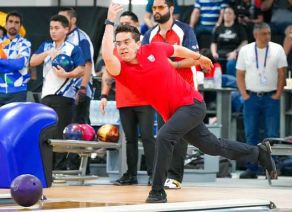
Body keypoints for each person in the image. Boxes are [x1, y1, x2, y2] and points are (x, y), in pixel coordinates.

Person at [103, 3, 277, 203]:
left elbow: (177, 48)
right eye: (119, 43)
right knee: (213, 147)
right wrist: (109, 21)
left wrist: (200, 57)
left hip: (191, 104)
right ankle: (259, 153)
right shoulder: (121, 70)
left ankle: (157, 191)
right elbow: (108, 56)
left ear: (137, 43)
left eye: (126, 42)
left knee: (164, 136)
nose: (122, 47)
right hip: (175, 114)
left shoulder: (155, 48)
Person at [142, 0, 199, 190]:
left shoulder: (185, 31)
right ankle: (162, 175)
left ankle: (175, 177)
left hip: (184, 91)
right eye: (154, 8)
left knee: (178, 135)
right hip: (161, 93)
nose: (156, 11)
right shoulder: (149, 35)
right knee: (164, 134)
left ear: (171, 9)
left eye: (160, 8)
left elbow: (194, 58)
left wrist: (174, 65)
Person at [100, 11, 156, 185]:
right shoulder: (116, 52)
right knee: (130, 139)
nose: (124, 25)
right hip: (124, 101)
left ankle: (153, 174)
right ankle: (130, 174)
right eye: (122, 23)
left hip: (146, 101)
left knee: (147, 137)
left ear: (136, 25)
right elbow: (107, 74)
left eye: (128, 23)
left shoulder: (145, 50)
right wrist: (103, 95)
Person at [30, 15, 85, 169]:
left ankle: (59, 168)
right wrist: (48, 53)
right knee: (45, 134)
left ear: (66, 30)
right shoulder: (46, 45)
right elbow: (32, 61)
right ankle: (47, 169)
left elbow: (81, 69)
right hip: (46, 96)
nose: (53, 31)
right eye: (51, 28)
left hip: (64, 97)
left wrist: (66, 74)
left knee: (60, 134)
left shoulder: (74, 48)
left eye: (57, 28)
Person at [236, 22, 287, 179]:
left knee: (272, 134)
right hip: (251, 98)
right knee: (251, 134)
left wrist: (278, 94)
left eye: (269, 33)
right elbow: (239, 74)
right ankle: (252, 168)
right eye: (264, 34)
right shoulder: (245, 50)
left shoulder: (277, 49)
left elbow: (282, 73)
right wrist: (244, 94)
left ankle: (272, 168)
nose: (268, 37)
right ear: (255, 34)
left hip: (271, 98)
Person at [58, 7, 95, 124]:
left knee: (80, 127)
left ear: (73, 20)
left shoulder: (81, 38)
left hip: (79, 90)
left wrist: (83, 89)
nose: (60, 21)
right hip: (64, 91)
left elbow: (88, 64)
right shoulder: (61, 38)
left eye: (63, 18)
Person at [0, 11, 31, 106]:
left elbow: (19, 64)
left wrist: (1, 63)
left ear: (20, 26)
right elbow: (14, 64)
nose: (13, 24)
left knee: (16, 121)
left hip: (18, 91)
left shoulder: (25, 43)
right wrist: (11, 64)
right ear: (6, 24)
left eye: (17, 22)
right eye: (10, 21)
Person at [210, 6, 248, 76]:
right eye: (225, 13)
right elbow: (213, 43)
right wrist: (214, 53)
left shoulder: (239, 28)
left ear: (234, 16)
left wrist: (236, 52)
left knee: (231, 64)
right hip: (219, 55)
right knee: (212, 63)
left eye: (230, 13)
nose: (227, 14)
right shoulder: (218, 28)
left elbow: (244, 42)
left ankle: (232, 85)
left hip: (233, 55)